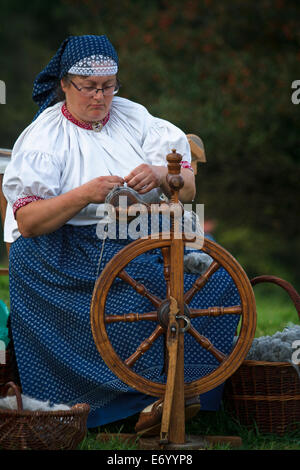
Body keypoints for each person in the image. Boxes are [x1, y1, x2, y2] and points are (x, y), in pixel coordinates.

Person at [2, 35, 240, 431]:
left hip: (138, 231)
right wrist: (84, 195)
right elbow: (28, 222)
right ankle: (132, 403)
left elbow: (189, 186)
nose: (100, 97)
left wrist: (163, 175)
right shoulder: (46, 137)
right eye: (89, 87)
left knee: (214, 270)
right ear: (64, 84)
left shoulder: (134, 118)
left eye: (109, 86)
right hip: (68, 245)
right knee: (143, 282)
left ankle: (188, 389)